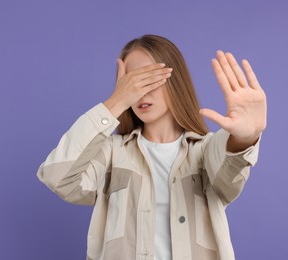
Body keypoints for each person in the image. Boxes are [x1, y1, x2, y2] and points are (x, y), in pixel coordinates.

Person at [36, 34, 267, 260]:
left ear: (174, 80)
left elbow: (230, 170)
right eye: (132, 84)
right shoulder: (112, 154)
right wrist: (115, 102)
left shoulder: (205, 150)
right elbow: (58, 177)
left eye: (149, 78)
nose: (141, 92)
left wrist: (245, 138)